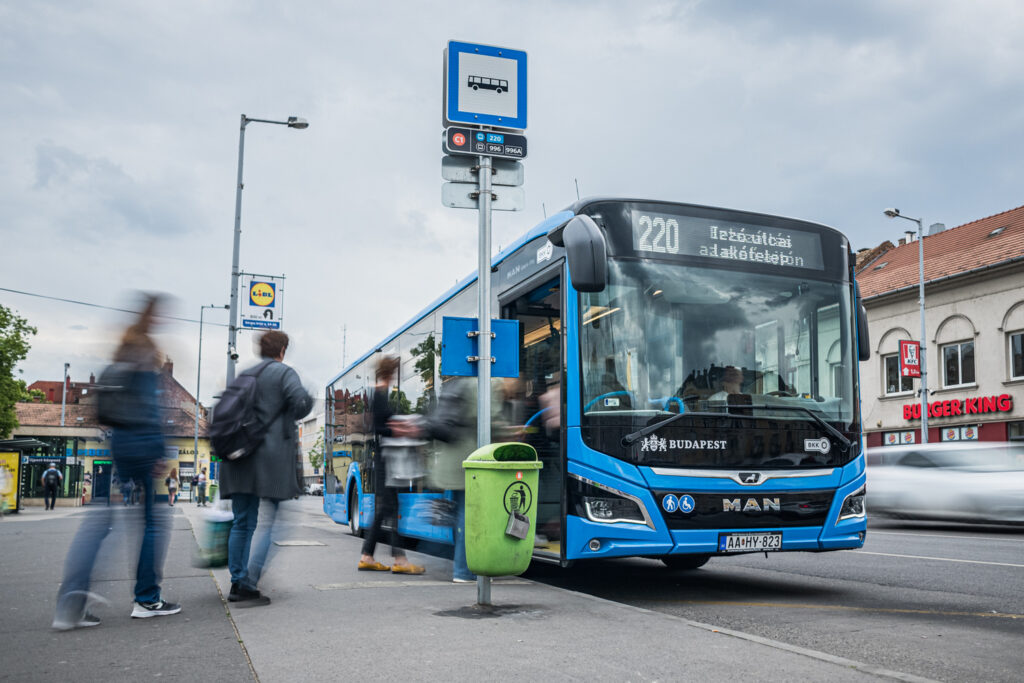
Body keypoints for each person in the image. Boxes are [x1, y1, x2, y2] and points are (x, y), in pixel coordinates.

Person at [53, 294, 181, 630]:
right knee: (153, 522)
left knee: (100, 523)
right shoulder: (145, 362)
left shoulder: (115, 365)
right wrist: (158, 452)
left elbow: (100, 413)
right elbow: (151, 412)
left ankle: (71, 602)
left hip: (120, 447)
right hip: (142, 446)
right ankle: (147, 598)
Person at [219, 330, 313, 607]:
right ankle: (248, 580)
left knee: (242, 521)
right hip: (268, 461)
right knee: (276, 521)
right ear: (282, 350)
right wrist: (307, 397)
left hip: (238, 457)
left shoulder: (244, 375)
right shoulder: (284, 373)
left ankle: (238, 581)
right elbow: (300, 404)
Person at [391, 377, 477, 583]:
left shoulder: (454, 386)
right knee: (465, 513)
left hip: (451, 467)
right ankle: (464, 570)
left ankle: (463, 568)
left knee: (459, 513)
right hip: (463, 465)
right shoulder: (472, 386)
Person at [358, 356, 425, 575]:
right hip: (386, 460)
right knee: (391, 508)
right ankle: (399, 560)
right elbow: (379, 428)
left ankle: (368, 555)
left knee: (386, 508)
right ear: (390, 372)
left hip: (386, 459)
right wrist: (404, 429)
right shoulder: (379, 394)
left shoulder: (380, 394)